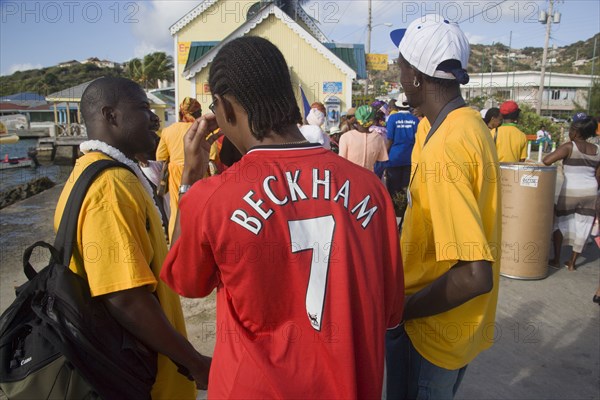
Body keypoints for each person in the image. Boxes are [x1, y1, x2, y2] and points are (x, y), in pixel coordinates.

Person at [160, 36, 404, 399]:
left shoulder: (212, 198)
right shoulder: (371, 190)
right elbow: (388, 312)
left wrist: (188, 183)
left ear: (225, 109)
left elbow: (186, 283)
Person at [53, 77, 210, 399]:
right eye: (143, 108)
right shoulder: (110, 187)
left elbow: (167, 255)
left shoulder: (98, 171)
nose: (154, 118)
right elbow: (125, 296)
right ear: (110, 116)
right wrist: (193, 362)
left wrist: (192, 174)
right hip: (139, 379)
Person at [387, 14, 501, 399]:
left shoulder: (446, 151)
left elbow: (474, 275)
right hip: (461, 327)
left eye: (401, 67)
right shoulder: (469, 127)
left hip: (430, 331)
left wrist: (403, 311)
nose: (398, 77)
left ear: (417, 78)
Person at [543, 112, 600, 271]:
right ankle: (572, 262)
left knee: (561, 223)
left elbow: (547, 161)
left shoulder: (569, 146)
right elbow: (598, 175)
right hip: (590, 191)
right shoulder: (597, 149)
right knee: (584, 224)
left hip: (570, 191)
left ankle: (556, 259)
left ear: (575, 132)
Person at [156, 97, 203, 240]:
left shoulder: (168, 130)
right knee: (200, 209)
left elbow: (160, 156)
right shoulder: (200, 129)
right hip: (198, 170)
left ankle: (176, 244)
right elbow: (213, 154)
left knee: (176, 210)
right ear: (197, 112)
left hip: (175, 173)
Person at [385, 94, 420, 199]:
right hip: (410, 158)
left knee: (393, 188)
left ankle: (395, 211)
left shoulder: (392, 118)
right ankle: (405, 211)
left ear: (397, 105)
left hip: (394, 158)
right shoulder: (415, 119)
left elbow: (390, 138)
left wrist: (385, 154)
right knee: (406, 188)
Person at [338, 105, 389, 172]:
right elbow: (381, 160)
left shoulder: (345, 137)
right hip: (370, 178)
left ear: (356, 118)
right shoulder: (378, 138)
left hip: (351, 178)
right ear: (372, 121)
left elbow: (341, 161)